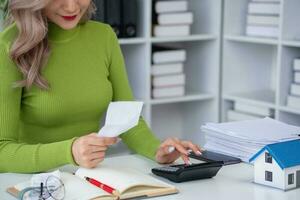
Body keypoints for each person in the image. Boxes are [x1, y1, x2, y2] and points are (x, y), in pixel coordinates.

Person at [0, 0, 202, 173]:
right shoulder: (10, 45)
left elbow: (128, 120)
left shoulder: (104, 37)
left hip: (87, 178)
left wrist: (158, 150)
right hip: (31, 183)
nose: (71, 6)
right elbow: (2, 151)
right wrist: (69, 151)